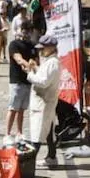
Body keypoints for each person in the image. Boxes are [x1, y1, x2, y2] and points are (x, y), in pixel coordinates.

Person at [24, 33, 61, 167]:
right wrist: (35, 68)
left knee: (38, 133)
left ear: (51, 48)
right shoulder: (49, 62)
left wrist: (29, 74)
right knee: (48, 131)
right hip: (44, 101)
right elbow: (43, 75)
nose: (40, 51)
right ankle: (51, 156)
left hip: (44, 102)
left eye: (43, 48)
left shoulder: (53, 63)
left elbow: (43, 81)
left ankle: (29, 163)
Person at [5, 27, 35, 139]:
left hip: (28, 80)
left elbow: (34, 59)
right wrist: (29, 66)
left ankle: (19, 132)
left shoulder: (32, 45)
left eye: (28, 31)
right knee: (13, 108)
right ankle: (7, 133)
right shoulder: (14, 44)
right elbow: (18, 59)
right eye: (25, 31)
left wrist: (33, 65)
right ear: (20, 31)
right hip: (16, 80)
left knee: (22, 109)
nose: (26, 34)